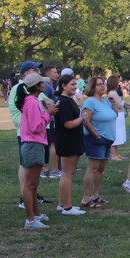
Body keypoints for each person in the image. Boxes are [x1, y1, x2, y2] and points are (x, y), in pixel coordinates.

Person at [16, 73, 58, 229]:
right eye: (41, 83)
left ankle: (36, 215)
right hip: (33, 144)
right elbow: (36, 127)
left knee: (34, 184)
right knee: (30, 184)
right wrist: (48, 114)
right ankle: (30, 220)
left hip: (32, 144)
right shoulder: (32, 102)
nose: (44, 85)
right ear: (37, 86)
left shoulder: (31, 101)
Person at [80, 76, 116, 209]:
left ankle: (95, 194)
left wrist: (113, 103)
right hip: (96, 139)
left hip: (107, 139)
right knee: (93, 168)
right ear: (92, 87)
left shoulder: (105, 101)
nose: (102, 86)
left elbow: (115, 115)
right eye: (98, 84)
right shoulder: (90, 102)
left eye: (103, 84)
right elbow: (85, 120)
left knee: (101, 169)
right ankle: (86, 198)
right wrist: (96, 135)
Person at [54, 74, 86, 216]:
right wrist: (82, 118)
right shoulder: (63, 102)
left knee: (68, 173)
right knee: (67, 173)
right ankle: (67, 207)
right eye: (72, 84)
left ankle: (62, 204)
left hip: (72, 140)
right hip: (67, 140)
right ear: (63, 86)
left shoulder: (68, 100)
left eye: (75, 84)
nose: (75, 87)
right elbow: (68, 124)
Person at [107, 75, 127, 161]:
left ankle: (117, 153)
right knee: (115, 134)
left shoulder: (114, 92)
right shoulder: (111, 93)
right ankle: (113, 155)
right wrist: (124, 104)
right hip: (117, 114)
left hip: (120, 113)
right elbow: (118, 104)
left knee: (118, 134)